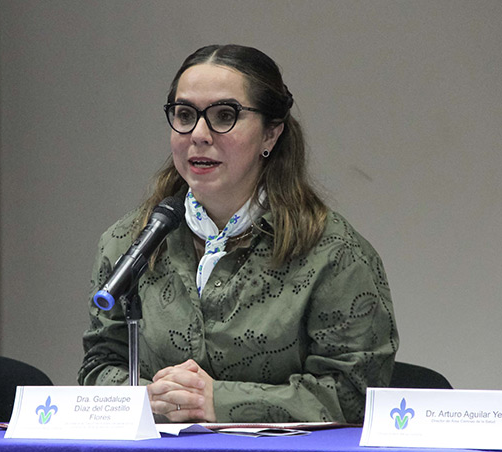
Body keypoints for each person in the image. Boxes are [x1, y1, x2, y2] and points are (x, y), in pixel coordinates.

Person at [79, 45, 399, 424]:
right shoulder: (128, 241)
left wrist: (219, 402)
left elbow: (353, 393)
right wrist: (145, 399)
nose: (198, 134)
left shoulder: (333, 253)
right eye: (184, 115)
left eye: (224, 116)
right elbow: (97, 367)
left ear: (271, 134)